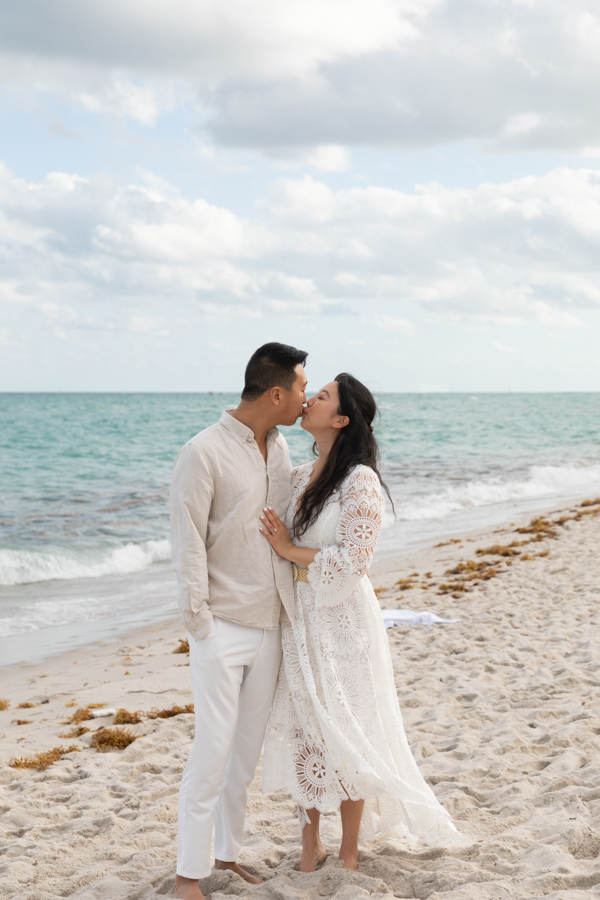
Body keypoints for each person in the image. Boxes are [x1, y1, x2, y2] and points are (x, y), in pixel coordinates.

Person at [259, 373, 461, 873]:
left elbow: (352, 562)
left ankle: (348, 848)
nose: (310, 400)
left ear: (341, 419)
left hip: (344, 620)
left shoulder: (359, 480)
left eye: (321, 396)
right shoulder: (302, 476)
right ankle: (310, 845)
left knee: (349, 723)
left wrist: (289, 550)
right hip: (301, 618)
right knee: (307, 726)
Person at [170, 342, 308, 900]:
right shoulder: (201, 452)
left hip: (271, 624)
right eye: (302, 387)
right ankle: (187, 877)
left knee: (244, 755)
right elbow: (187, 543)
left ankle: (225, 856)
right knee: (211, 753)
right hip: (221, 626)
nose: (305, 397)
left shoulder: (279, 452)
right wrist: (199, 621)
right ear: (276, 393)